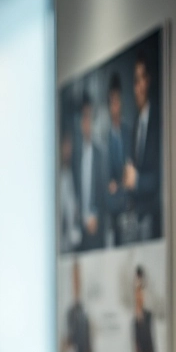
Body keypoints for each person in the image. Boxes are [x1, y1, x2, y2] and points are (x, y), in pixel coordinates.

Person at [123, 53, 162, 240]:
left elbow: (159, 177)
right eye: (134, 82)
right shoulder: (136, 124)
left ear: (148, 81)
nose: (136, 88)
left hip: (152, 216)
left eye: (140, 80)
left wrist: (137, 180)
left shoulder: (159, 121)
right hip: (136, 215)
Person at [73, 94, 108, 251]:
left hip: (96, 227)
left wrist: (96, 215)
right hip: (79, 229)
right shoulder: (76, 155)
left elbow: (103, 191)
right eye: (84, 118)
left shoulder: (100, 154)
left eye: (90, 118)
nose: (87, 123)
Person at [104, 73, 127, 245]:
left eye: (117, 101)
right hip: (112, 209)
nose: (115, 106)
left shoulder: (130, 132)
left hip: (129, 204)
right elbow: (106, 181)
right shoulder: (105, 139)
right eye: (111, 102)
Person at [62, 260, 94, 352]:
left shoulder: (85, 311)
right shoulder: (70, 313)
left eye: (78, 278)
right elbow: (67, 341)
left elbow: (88, 338)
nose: (76, 282)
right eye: (74, 279)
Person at [58, 129, 81, 253]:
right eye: (65, 146)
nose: (68, 150)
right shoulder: (56, 177)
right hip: (59, 243)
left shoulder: (72, 173)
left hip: (72, 243)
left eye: (70, 146)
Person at [132, 266, 156, 352]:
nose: (139, 294)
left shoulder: (149, 318)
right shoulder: (134, 322)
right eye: (137, 290)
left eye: (141, 289)